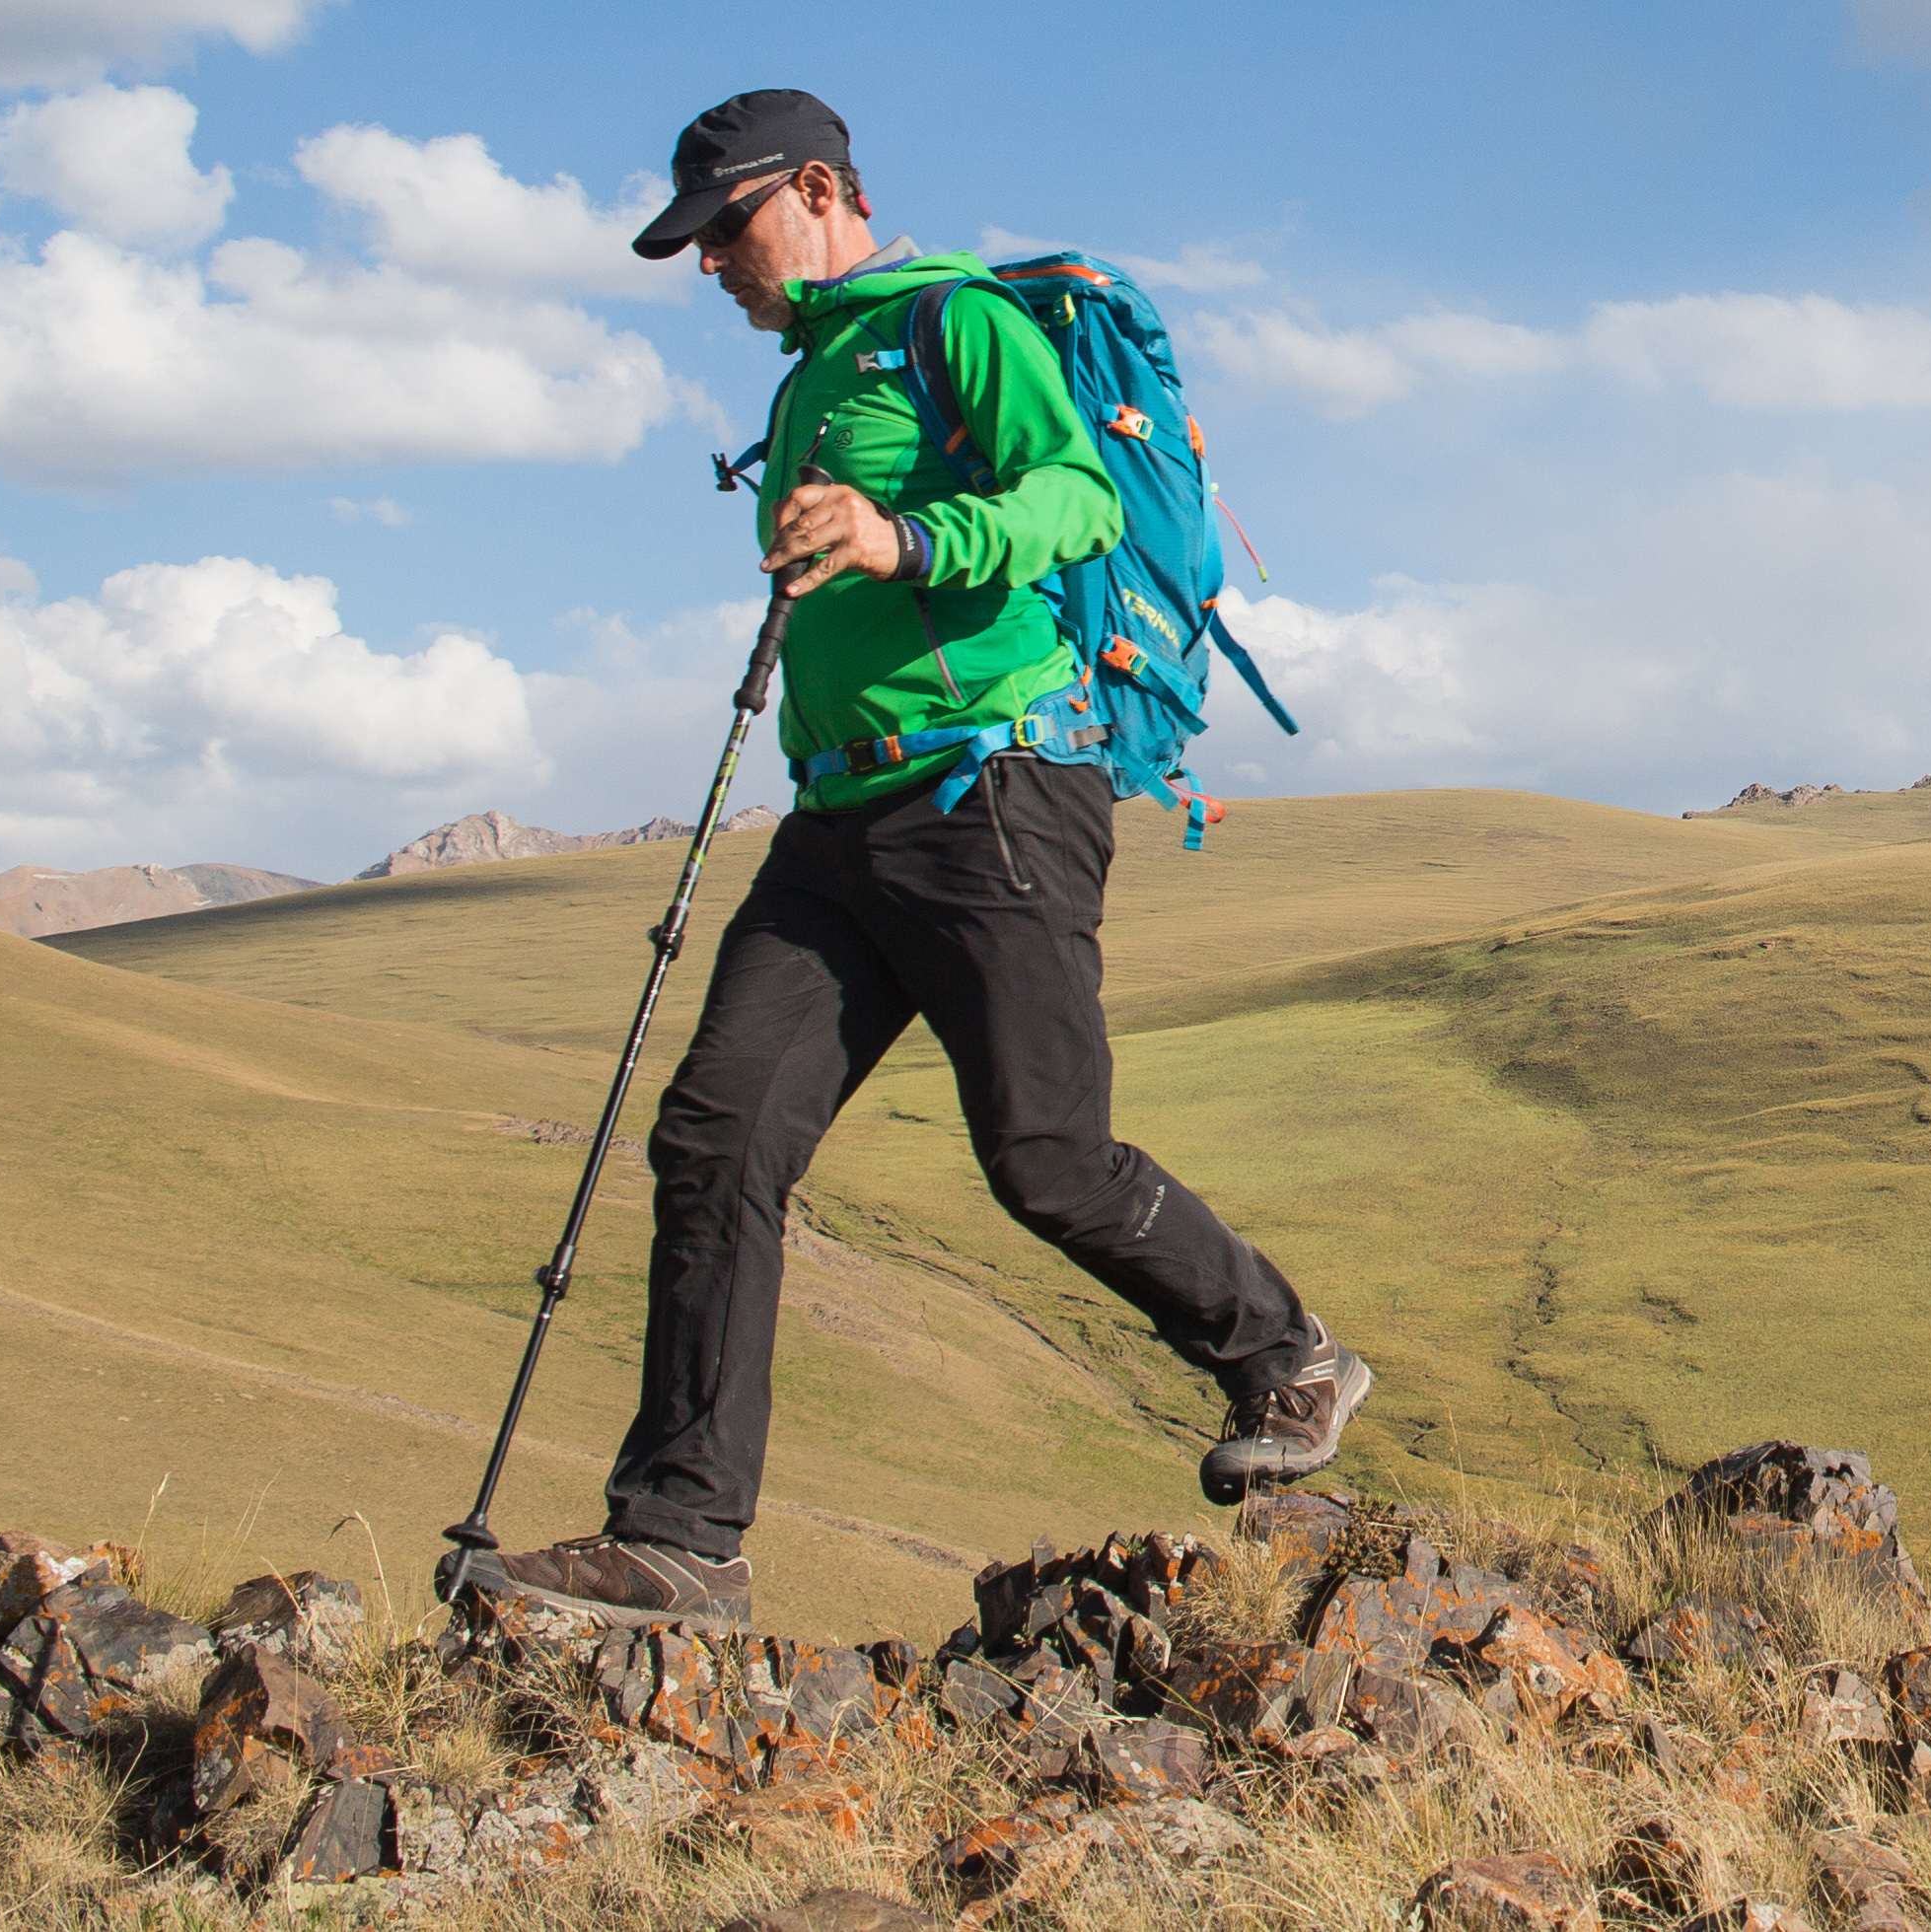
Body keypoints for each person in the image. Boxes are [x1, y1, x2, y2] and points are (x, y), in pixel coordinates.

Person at [476, 89, 1368, 1629]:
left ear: (821, 189)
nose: (710, 267)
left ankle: (1285, 1356)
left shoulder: (956, 321)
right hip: (839, 818)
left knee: (1044, 1155)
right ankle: (681, 1538)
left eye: (727, 228)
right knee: (715, 1138)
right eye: (693, 245)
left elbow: (1076, 495)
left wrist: (904, 542)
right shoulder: (817, 372)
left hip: (996, 793)